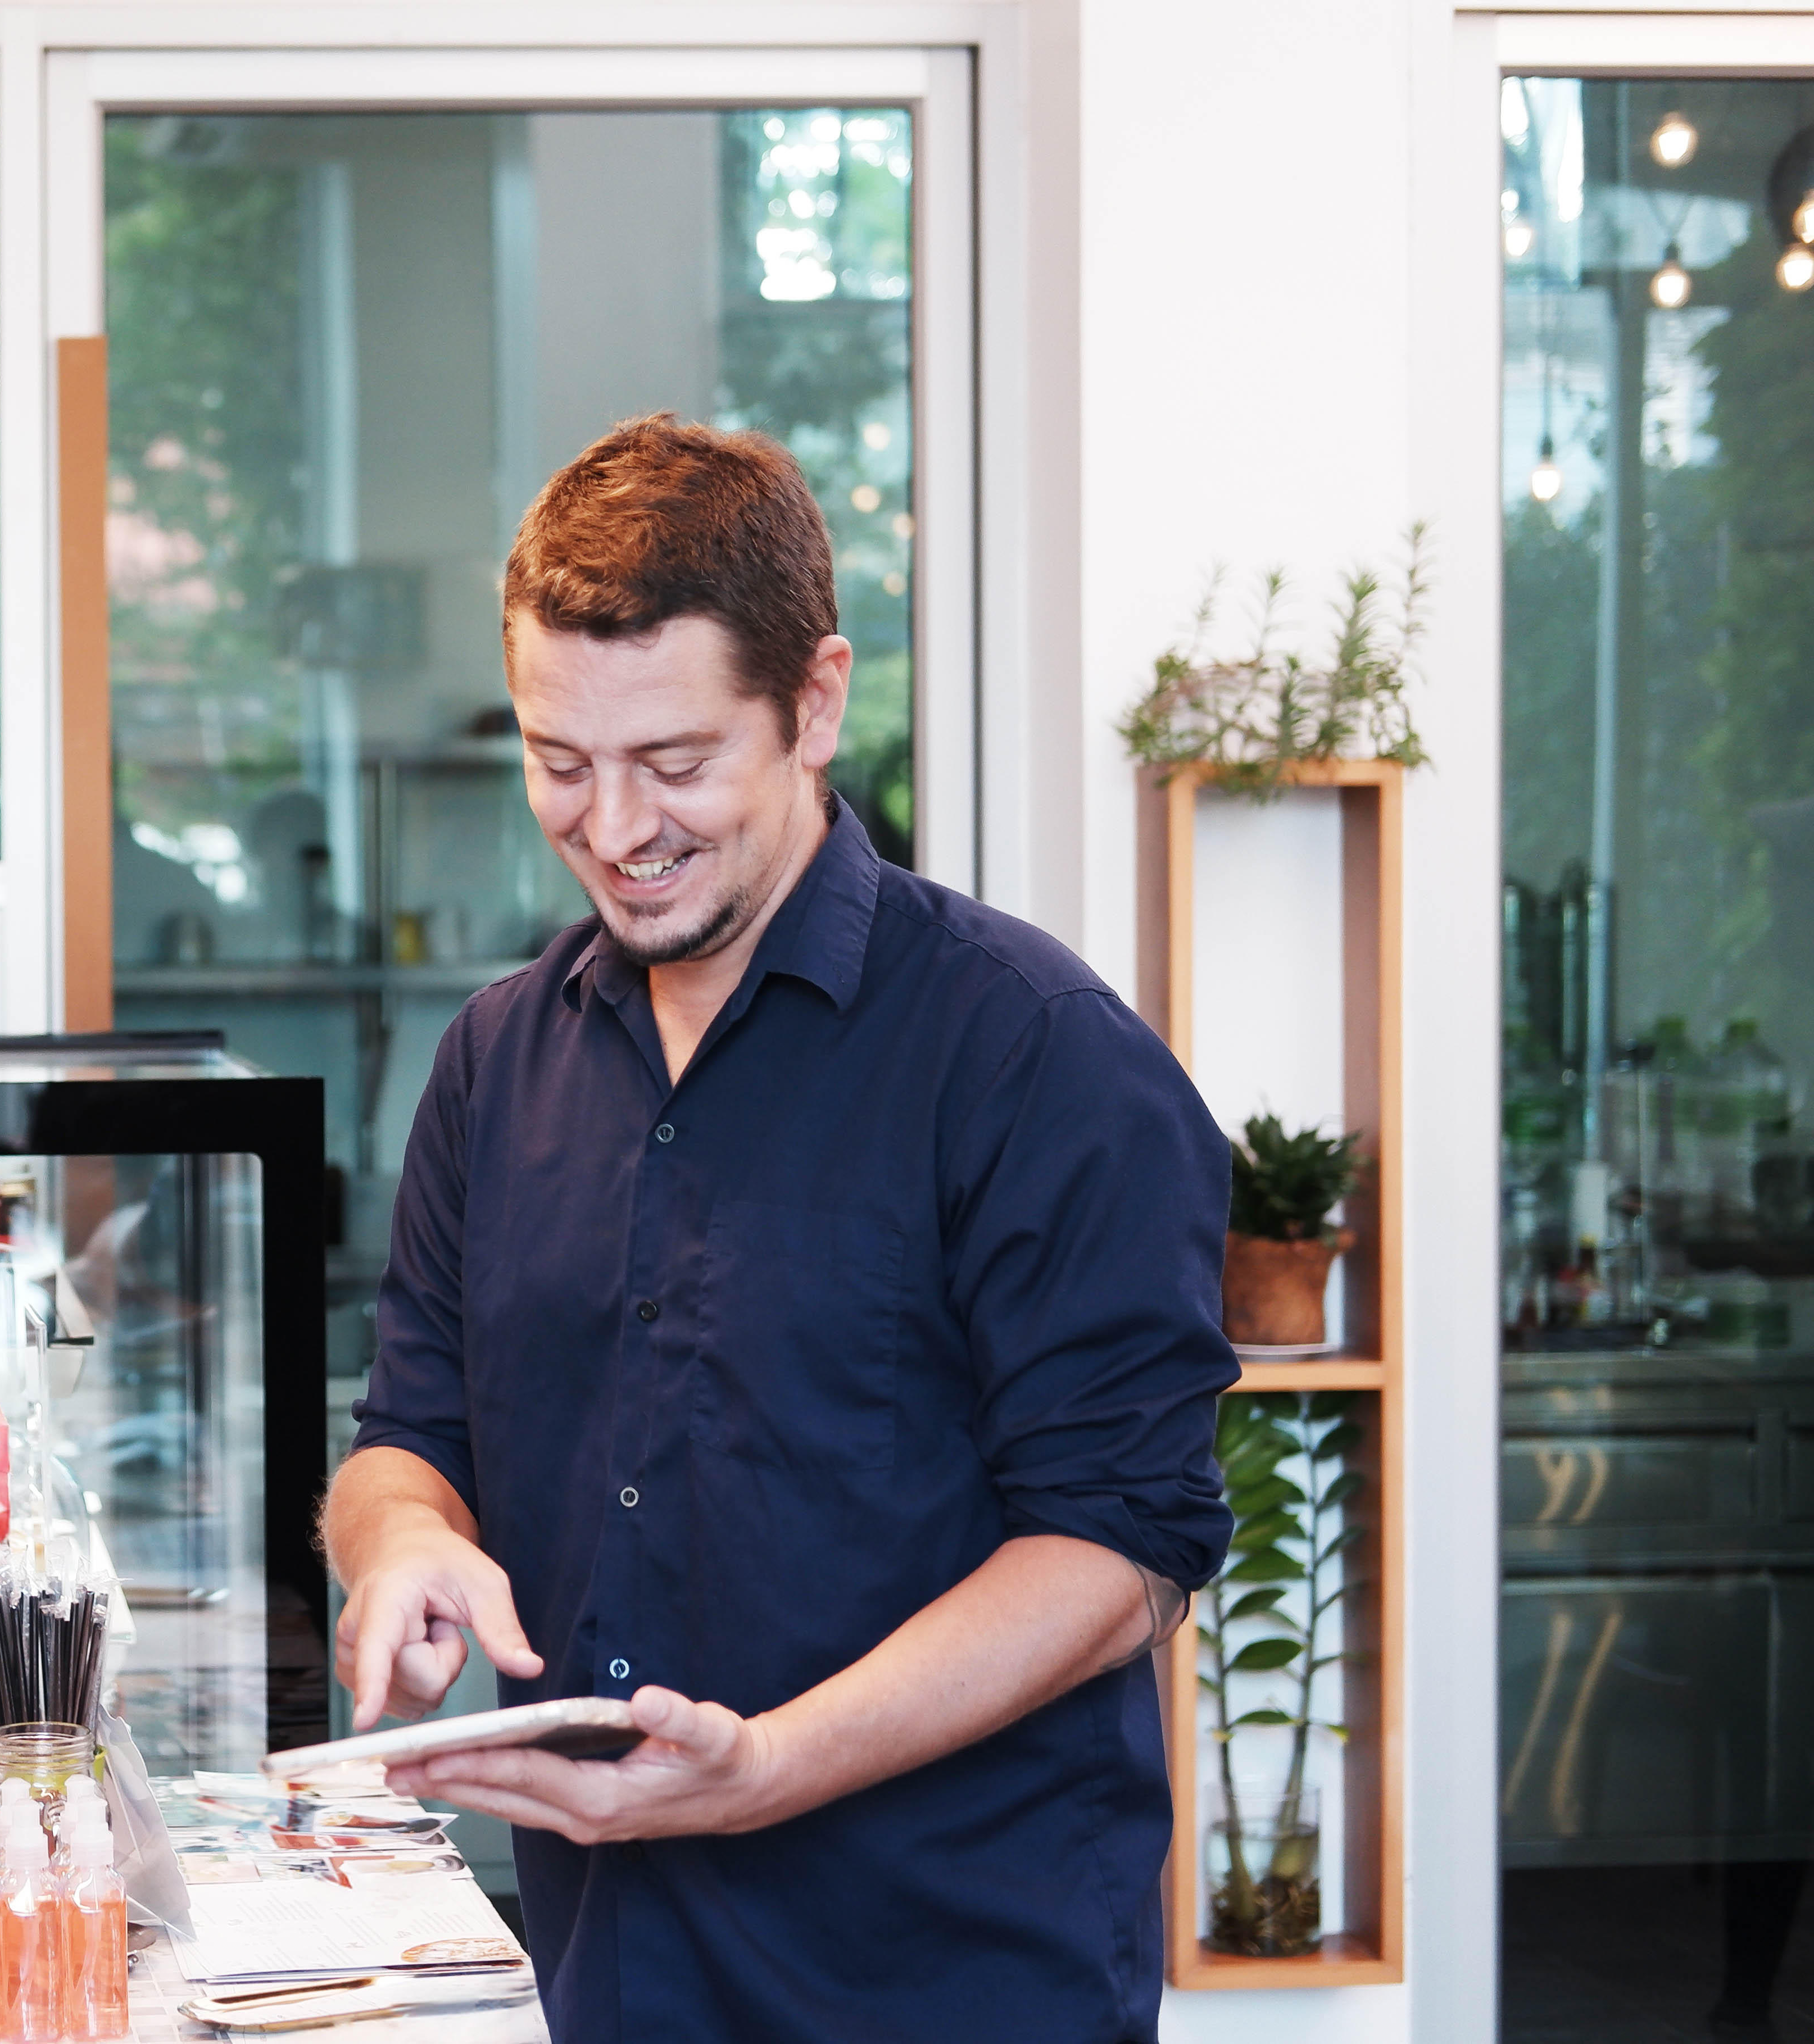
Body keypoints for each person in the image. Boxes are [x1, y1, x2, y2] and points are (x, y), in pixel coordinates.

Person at [326, 418, 1236, 2041]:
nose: (613, 827)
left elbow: (1122, 1549)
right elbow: (410, 1436)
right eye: (558, 761)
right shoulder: (496, 1059)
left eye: (675, 762)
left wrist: (770, 1769)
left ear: (814, 704)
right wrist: (399, 1541)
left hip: (952, 1986)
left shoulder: (1036, 1054)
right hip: (603, 1976)